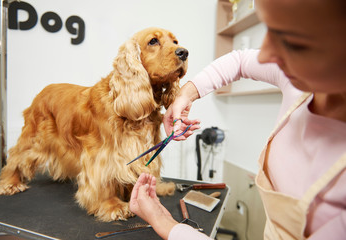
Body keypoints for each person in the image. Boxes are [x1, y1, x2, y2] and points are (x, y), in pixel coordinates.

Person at [130, 0, 346, 239]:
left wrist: (165, 224)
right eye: (268, 30)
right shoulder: (301, 84)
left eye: (291, 40)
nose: (264, 56)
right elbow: (240, 61)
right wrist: (185, 96)